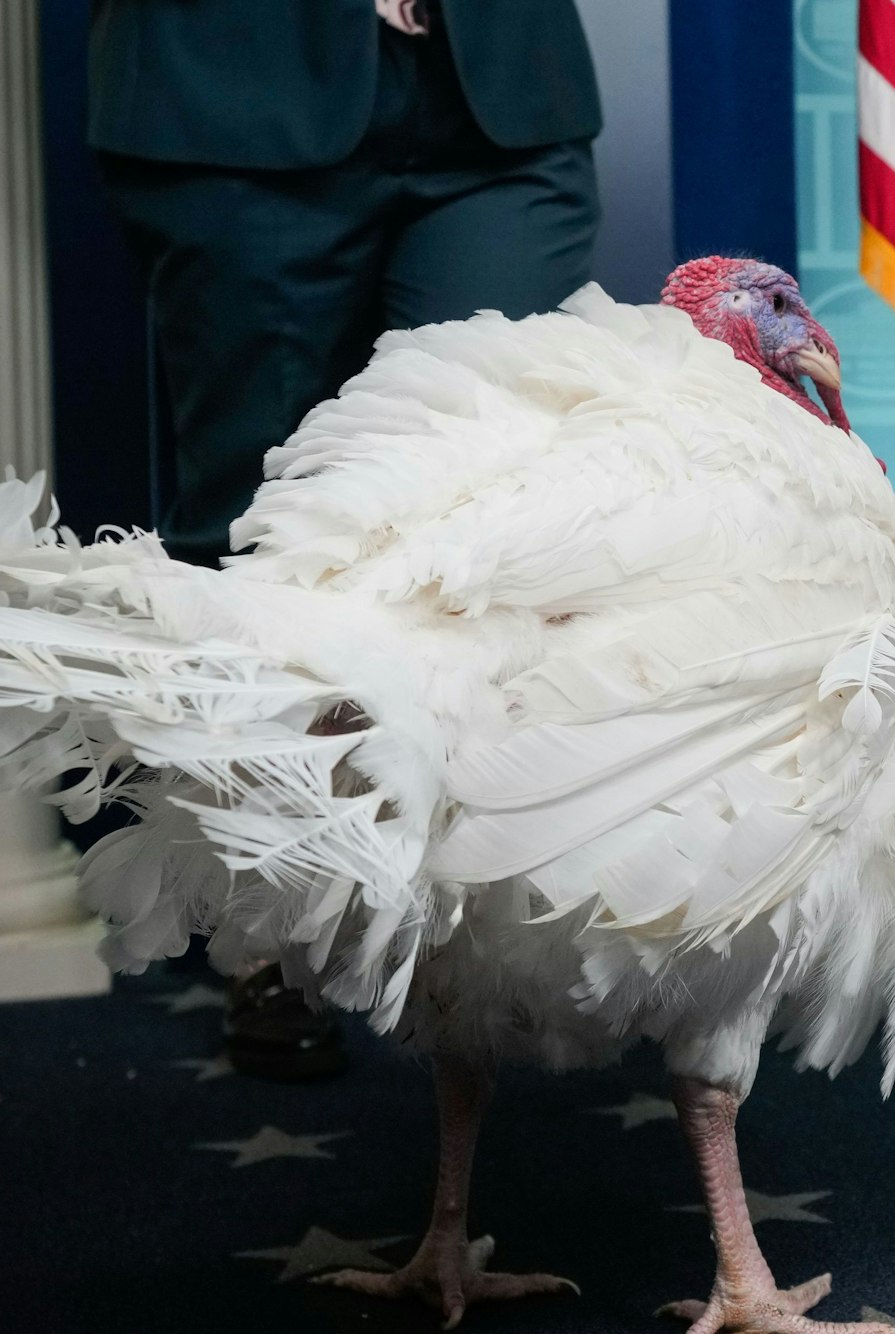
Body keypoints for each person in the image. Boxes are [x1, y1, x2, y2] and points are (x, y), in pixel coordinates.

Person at [87, 0, 604, 1078]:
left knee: (493, 511)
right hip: (234, 91)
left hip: (496, 92)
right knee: (257, 532)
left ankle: (480, 920)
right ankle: (267, 924)